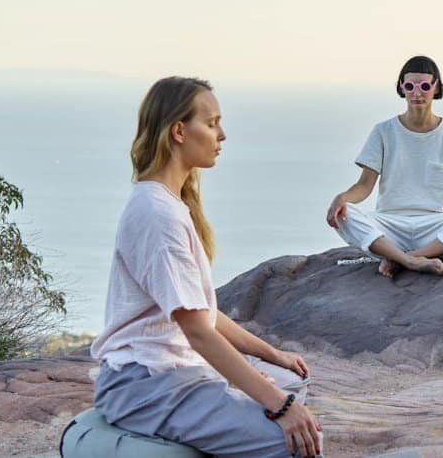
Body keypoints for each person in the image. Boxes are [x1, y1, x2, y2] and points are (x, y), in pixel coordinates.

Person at [91, 77, 323, 458]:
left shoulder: (169, 203)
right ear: (179, 131)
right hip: (147, 383)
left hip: (172, 371)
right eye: (212, 123)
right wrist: (280, 407)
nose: (222, 134)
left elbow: (205, 314)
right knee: (296, 440)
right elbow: (198, 332)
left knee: (291, 381)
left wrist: (272, 356)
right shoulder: (156, 215)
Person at [326, 55, 443, 277]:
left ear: (436, 88)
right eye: (410, 86)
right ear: (401, 88)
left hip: (433, 224)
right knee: (344, 214)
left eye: (424, 86)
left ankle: (405, 258)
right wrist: (342, 198)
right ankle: (412, 261)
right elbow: (365, 185)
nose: (417, 93)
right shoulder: (383, 131)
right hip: (390, 224)